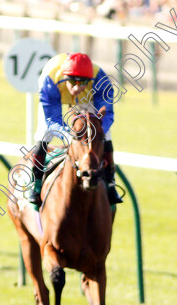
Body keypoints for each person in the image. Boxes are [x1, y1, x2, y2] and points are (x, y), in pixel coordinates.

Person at [26, 52, 121, 211]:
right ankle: (35, 185)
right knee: (44, 133)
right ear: (65, 77)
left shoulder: (100, 81)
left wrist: (96, 132)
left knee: (106, 135)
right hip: (56, 94)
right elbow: (52, 118)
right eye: (73, 82)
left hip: (89, 99)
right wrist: (70, 135)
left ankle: (110, 183)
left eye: (82, 82)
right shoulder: (50, 79)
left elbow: (107, 115)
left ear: (89, 80)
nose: (77, 88)